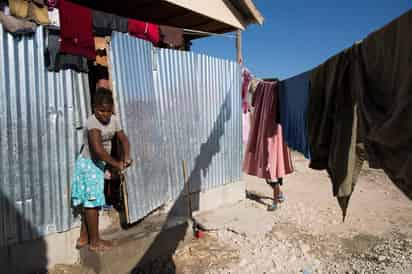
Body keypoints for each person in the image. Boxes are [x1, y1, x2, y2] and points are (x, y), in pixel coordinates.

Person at [71, 87, 132, 252]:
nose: (105, 115)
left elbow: (123, 139)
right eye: (101, 111)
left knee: (91, 201)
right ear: (93, 108)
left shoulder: (114, 120)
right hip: (89, 164)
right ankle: (95, 242)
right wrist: (116, 164)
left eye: (108, 111)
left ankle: (84, 238)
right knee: (93, 203)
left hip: (99, 164)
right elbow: (97, 150)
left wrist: (126, 156)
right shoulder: (92, 122)